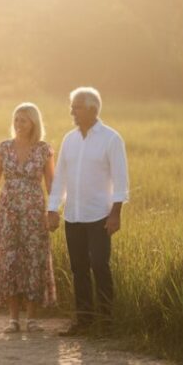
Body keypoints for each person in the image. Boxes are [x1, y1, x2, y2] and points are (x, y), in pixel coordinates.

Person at [47, 87, 129, 336]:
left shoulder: (111, 139)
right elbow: (59, 177)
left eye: (77, 107)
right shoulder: (69, 139)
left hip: (99, 216)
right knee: (78, 268)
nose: (72, 111)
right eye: (72, 107)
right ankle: (83, 321)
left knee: (100, 266)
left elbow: (121, 180)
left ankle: (106, 322)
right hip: (74, 215)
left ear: (92, 109)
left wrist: (116, 214)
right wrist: (52, 209)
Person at [0, 102, 56, 333]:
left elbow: (52, 183)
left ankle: (32, 319)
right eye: (16, 119)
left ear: (34, 122)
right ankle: (13, 319)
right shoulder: (4, 148)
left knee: (34, 258)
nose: (18, 124)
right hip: (8, 211)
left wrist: (53, 211)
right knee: (9, 259)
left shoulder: (44, 150)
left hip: (34, 211)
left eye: (23, 120)